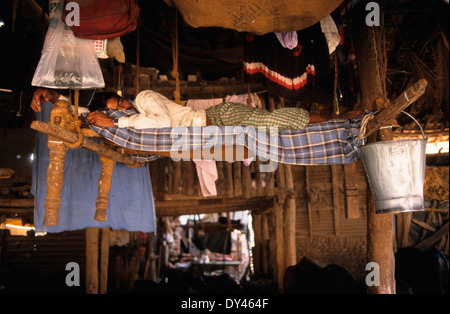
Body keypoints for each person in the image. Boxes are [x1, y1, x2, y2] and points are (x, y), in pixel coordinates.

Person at [31, 88, 363, 131]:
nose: (116, 111)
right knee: (274, 126)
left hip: (220, 116)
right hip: (214, 124)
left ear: (123, 97)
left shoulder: (145, 98)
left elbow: (160, 121)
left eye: (116, 103)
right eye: (112, 110)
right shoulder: (130, 118)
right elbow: (76, 107)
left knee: (273, 119)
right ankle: (338, 121)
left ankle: (340, 118)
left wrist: (117, 122)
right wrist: (52, 97)